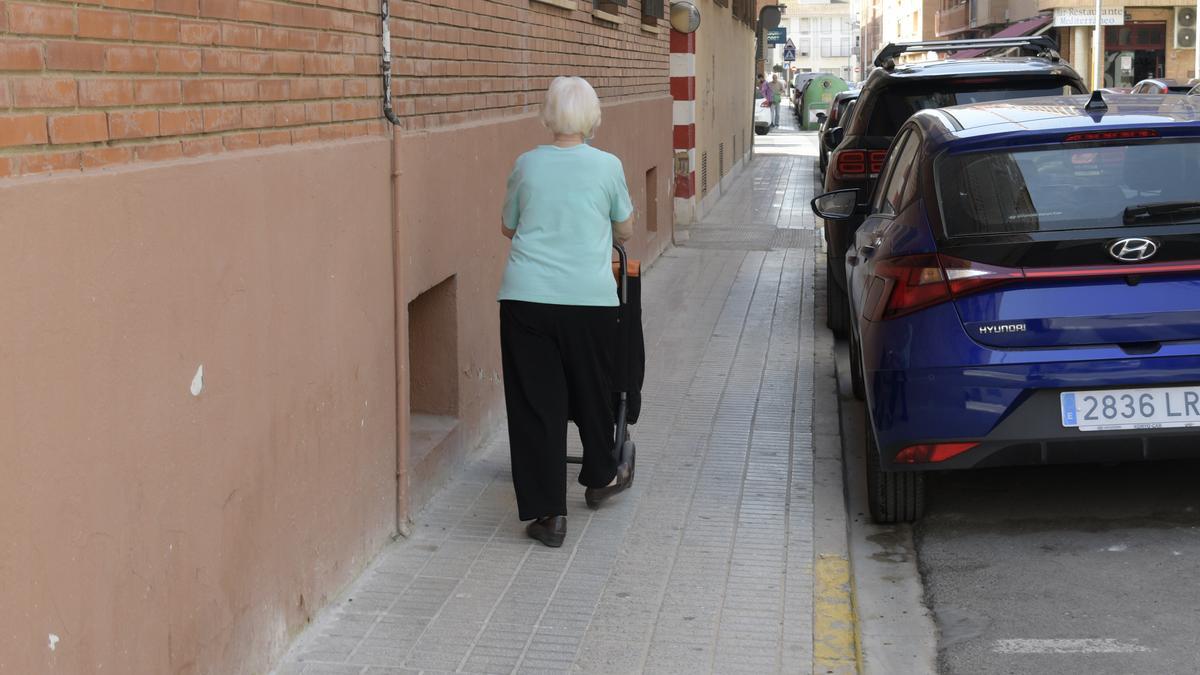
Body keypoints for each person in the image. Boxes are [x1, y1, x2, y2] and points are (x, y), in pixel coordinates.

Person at [498, 76, 636, 548]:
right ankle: (599, 476)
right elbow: (626, 226)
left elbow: (507, 225)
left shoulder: (526, 165)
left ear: (548, 114)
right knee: (592, 388)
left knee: (536, 405)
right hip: (589, 300)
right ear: (592, 118)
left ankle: (549, 516)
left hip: (526, 300)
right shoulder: (607, 166)